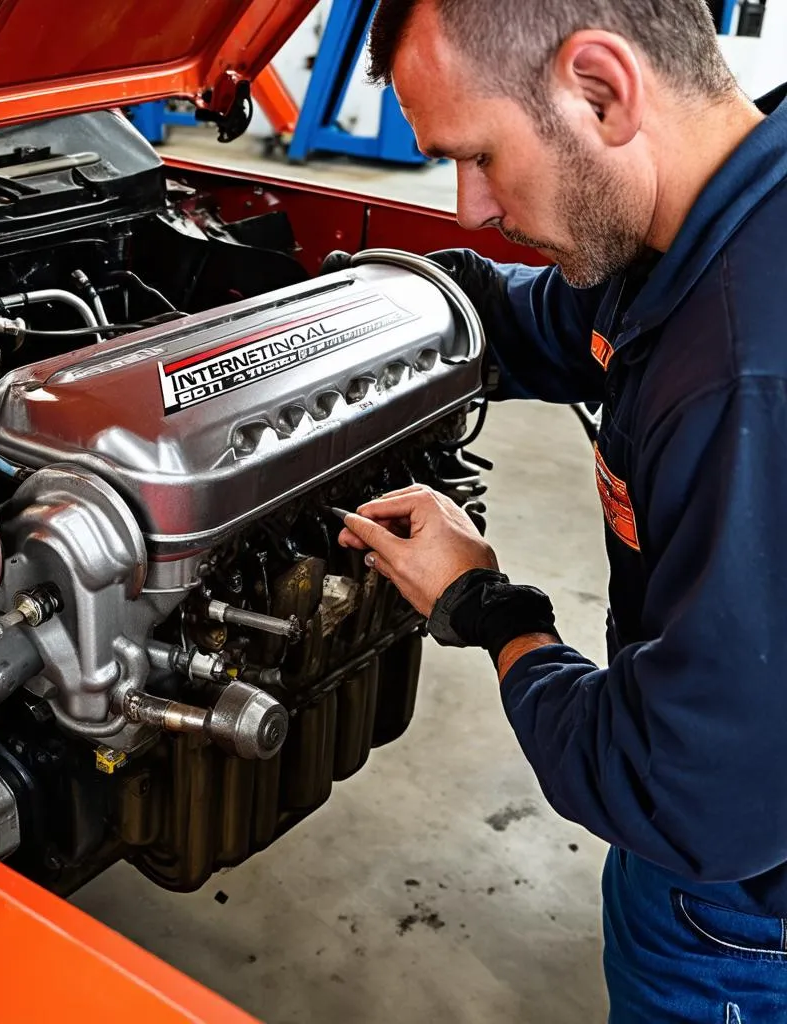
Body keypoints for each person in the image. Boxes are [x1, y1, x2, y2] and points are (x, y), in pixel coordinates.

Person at [338, 0, 787, 1019]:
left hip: (740, 920)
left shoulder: (746, 374)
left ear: (601, 89)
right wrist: (341, 314)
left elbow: (683, 798)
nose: (467, 206)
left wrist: (490, 607)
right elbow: (538, 320)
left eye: (480, 156)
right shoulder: (712, 213)